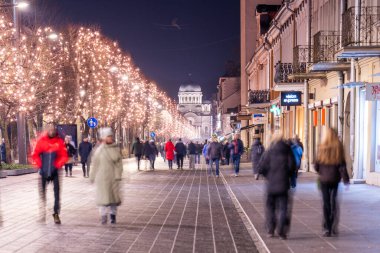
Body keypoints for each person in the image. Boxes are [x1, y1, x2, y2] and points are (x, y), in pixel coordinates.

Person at [258, 134, 296, 240]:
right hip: (283, 184)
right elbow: (292, 167)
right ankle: (282, 231)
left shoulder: (269, 151)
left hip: (271, 185)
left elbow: (261, 168)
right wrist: (286, 175)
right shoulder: (288, 151)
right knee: (283, 208)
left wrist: (268, 176)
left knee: (270, 207)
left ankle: (271, 230)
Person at [315, 128, 349, 237]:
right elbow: (342, 166)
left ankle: (326, 228)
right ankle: (334, 226)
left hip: (324, 180)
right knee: (334, 202)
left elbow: (316, 166)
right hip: (335, 179)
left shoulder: (321, 147)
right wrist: (346, 180)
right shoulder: (339, 147)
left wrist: (321, 172)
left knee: (326, 203)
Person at [32, 123, 68, 224]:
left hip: (55, 172)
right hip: (43, 172)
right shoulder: (42, 141)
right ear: (47, 130)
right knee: (42, 193)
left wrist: (58, 165)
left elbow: (64, 156)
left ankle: (56, 214)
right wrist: (40, 165)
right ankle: (42, 213)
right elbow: (35, 155)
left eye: (53, 129)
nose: (52, 131)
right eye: (50, 129)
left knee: (57, 194)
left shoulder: (59, 142)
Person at [90, 127, 123, 224]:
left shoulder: (116, 149)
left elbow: (119, 164)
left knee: (113, 199)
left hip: (113, 178)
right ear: (103, 138)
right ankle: (103, 215)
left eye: (111, 136)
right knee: (103, 198)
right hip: (102, 179)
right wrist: (92, 176)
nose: (110, 138)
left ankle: (113, 215)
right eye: (108, 136)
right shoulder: (99, 150)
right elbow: (95, 164)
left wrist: (118, 175)